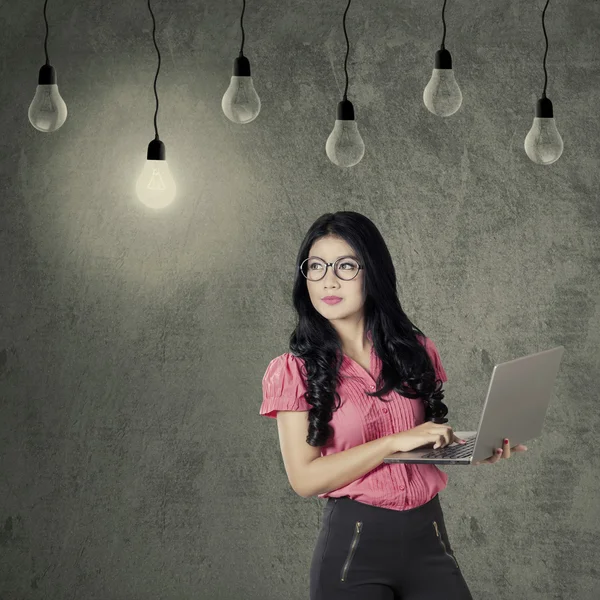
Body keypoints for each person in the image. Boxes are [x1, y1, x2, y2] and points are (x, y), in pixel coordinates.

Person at [259, 211, 527, 600]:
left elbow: (417, 440)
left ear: (374, 272)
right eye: (315, 267)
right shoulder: (292, 370)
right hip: (354, 548)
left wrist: (471, 449)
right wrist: (391, 442)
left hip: (428, 536)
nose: (328, 280)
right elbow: (304, 479)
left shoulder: (414, 350)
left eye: (346, 266)